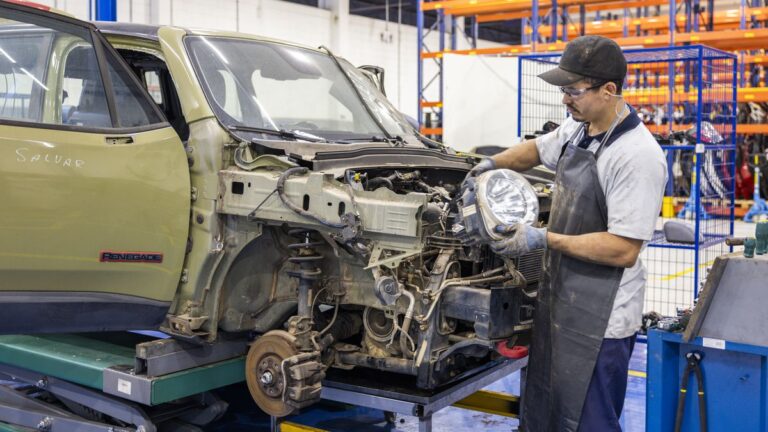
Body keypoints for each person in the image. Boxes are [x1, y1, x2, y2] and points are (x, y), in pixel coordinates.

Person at [467, 35, 667, 431]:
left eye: (573, 91)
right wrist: (486, 165)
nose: (565, 100)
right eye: (563, 90)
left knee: (589, 418)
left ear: (609, 90)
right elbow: (535, 150)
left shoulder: (637, 156)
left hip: (602, 318)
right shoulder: (579, 129)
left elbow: (623, 248)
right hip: (560, 299)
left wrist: (542, 238)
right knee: (545, 409)